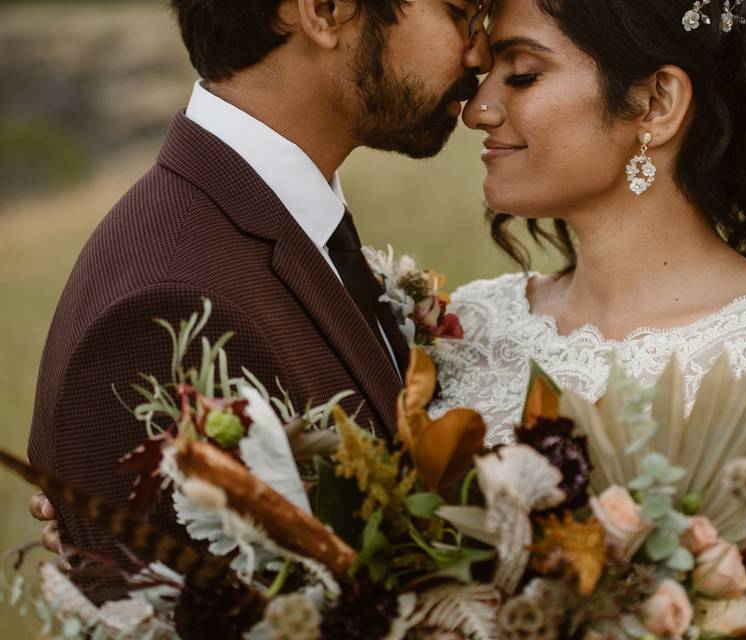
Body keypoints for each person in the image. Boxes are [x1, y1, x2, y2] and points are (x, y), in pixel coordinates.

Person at [427, 0, 746, 614]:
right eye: (484, 77)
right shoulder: (465, 323)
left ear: (655, 104)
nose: (478, 110)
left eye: (520, 75)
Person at [27, 0, 491, 594]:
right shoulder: (166, 313)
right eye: (458, 12)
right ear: (324, 12)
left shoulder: (271, 224)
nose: (478, 53)